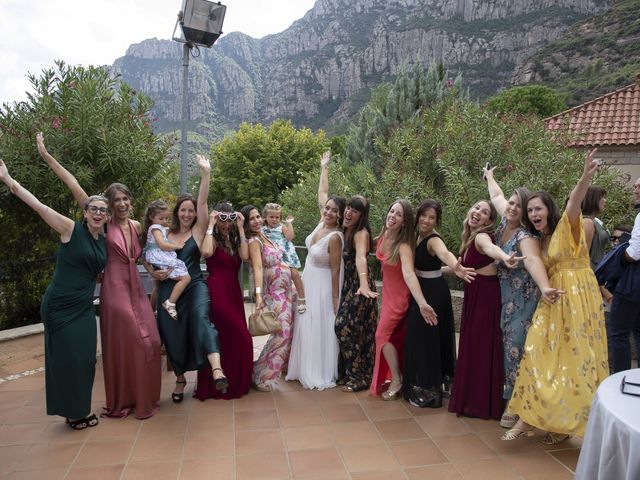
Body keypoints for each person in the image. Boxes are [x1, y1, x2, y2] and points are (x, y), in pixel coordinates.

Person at [37, 132, 161, 419]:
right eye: (115, 199)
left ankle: (142, 398)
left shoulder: (136, 225)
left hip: (135, 287)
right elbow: (73, 184)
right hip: (115, 289)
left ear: (130, 201)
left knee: (151, 341)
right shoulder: (103, 224)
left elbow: (142, 256)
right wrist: (46, 156)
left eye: (125, 198)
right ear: (107, 204)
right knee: (132, 338)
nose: (121, 203)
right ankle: (121, 401)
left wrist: (157, 272)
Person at [503, 148, 609, 445]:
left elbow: (574, 201)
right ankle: (530, 418)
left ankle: (562, 426)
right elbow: (503, 206)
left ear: (549, 208)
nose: (534, 214)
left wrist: (586, 177)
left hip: (579, 299)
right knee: (538, 354)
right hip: (552, 299)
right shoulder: (538, 239)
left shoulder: (568, 225)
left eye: (538, 208)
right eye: (530, 211)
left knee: (574, 360)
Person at [1, 158, 107, 430]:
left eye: (102, 211)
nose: (97, 213)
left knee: (85, 359)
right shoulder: (70, 229)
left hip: (83, 306)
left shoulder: (103, 241)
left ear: (106, 216)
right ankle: (74, 413)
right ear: (86, 212)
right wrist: (8, 180)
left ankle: (79, 407)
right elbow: (39, 206)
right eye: (93, 209)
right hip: (59, 305)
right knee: (67, 359)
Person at [484, 169, 560, 427]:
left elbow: (533, 260)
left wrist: (545, 286)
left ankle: (514, 405)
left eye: (520, 206)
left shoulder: (524, 236)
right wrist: (489, 176)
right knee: (508, 346)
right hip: (505, 297)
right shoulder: (506, 222)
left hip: (524, 299)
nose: (513, 208)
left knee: (515, 349)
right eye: (513, 203)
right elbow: (496, 195)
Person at [153, 155, 228, 402]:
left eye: (191, 210)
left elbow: (204, 200)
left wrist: (206, 173)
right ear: (177, 212)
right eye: (183, 210)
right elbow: (147, 254)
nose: (187, 214)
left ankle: (217, 369)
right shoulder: (165, 233)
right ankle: (180, 378)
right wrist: (155, 273)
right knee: (170, 328)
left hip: (195, 285)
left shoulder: (197, 231)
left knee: (201, 316)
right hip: (169, 287)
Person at [448, 200, 521, 420]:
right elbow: (461, 267)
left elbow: (491, 248)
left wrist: (504, 257)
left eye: (485, 212)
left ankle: (478, 403)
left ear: (489, 221)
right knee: (474, 345)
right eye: (477, 208)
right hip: (477, 294)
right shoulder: (471, 237)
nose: (478, 212)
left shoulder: (481, 236)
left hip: (485, 297)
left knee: (480, 346)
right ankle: (474, 399)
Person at [403, 199, 476, 408]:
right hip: (422, 290)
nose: (426, 220)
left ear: (437, 221)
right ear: (417, 216)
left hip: (433, 294)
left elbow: (444, 253)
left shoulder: (434, 239)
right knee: (421, 339)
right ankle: (424, 385)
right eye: (423, 215)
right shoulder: (416, 236)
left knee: (427, 340)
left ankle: (430, 391)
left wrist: (456, 265)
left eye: (431, 217)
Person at [286, 151, 346, 390]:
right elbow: (321, 193)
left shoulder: (336, 237)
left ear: (340, 216)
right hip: (307, 280)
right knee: (304, 323)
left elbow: (334, 271)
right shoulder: (322, 222)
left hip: (323, 286)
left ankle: (318, 371)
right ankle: (301, 368)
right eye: (327, 208)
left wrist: (334, 299)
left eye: (333, 211)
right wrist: (324, 167)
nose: (328, 211)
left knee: (318, 325)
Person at [370, 200, 438, 400]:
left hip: (399, 299)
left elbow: (409, 274)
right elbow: (364, 243)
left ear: (405, 222)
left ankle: (397, 379)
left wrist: (422, 303)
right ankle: (397, 376)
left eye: (399, 215)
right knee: (388, 337)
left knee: (381, 335)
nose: (393, 216)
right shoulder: (383, 237)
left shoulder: (404, 247)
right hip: (388, 296)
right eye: (392, 211)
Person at [194, 202, 253, 400]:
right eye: (223, 219)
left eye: (230, 219)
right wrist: (211, 224)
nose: (226, 224)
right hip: (217, 290)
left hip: (233, 291)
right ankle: (217, 381)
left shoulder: (235, 239)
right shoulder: (211, 237)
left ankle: (234, 382)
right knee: (239, 335)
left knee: (232, 338)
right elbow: (207, 253)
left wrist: (240, 227)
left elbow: (245, 256)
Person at [243, 205, 296, 392]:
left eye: (258, 216)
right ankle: (260, 375)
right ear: (246, 223)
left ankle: (262, 372)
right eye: (252, 218)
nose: (257, 220)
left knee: (285, 333)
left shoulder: (266, 235)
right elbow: (257, 268)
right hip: (274, 292)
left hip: (287, 291)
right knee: (282, 332)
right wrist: (258, 295)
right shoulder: (254, 241)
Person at [334, 191, 379, 393]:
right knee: (356, 332)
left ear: (362, 216)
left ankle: (359, 376)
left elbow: (361, 257)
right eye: (349, 207)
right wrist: (324, 170)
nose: (350, 212)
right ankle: (350, 374)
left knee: (343, 326)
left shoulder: (361, 234)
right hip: (349, 286)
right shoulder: (343, 231)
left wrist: (363, 283)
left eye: (356, 210)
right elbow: (323, 200)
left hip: (361, 288)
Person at [607, 177, 640, 373]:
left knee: (618, 332)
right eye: (635, 185)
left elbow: (635, 252)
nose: (635, 189)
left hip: (633, 282)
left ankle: (620, 378)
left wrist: (620, 257)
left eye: (639, 186)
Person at [141, 200, 190, 320]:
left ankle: (152, 311)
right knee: (185, 278)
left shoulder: (160, 227)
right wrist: (177, 246)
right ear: (152, 217)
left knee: (158, 286)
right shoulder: (155, 227)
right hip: (158, 256)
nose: (164, 222)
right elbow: (162, 245)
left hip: (157, 256)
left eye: (166, 219)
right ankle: (170, 303)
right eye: (161, 218)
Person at [262, 203, 307, 313]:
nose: (274, 219)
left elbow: (290, 237)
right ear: (265, 217)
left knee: (295, 273)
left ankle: (302, 298)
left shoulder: (281, 227)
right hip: (273, 256)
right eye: (271, 217)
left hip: (285, 253)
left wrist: (289, 224)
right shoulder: (262, 230)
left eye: (277, 217)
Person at [581, 185, 609, 270]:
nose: (605, 200)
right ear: (593, 199)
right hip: (589, 272)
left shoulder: (595, 221)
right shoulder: (586, 222)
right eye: (602, 197)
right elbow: (583, 255)